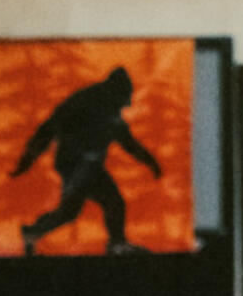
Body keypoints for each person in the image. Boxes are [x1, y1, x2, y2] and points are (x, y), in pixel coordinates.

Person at [11, 66, 162, 255]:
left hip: (84, 164)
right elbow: (48, 130)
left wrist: (150, 162)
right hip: (78, 165)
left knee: (72, 211)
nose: (123, 107)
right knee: (112, 202)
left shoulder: (105, 104)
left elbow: (127, 141)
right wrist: (27, 160)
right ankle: (117, 244)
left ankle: (33, 232)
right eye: (123, 102)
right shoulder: (89, 104)